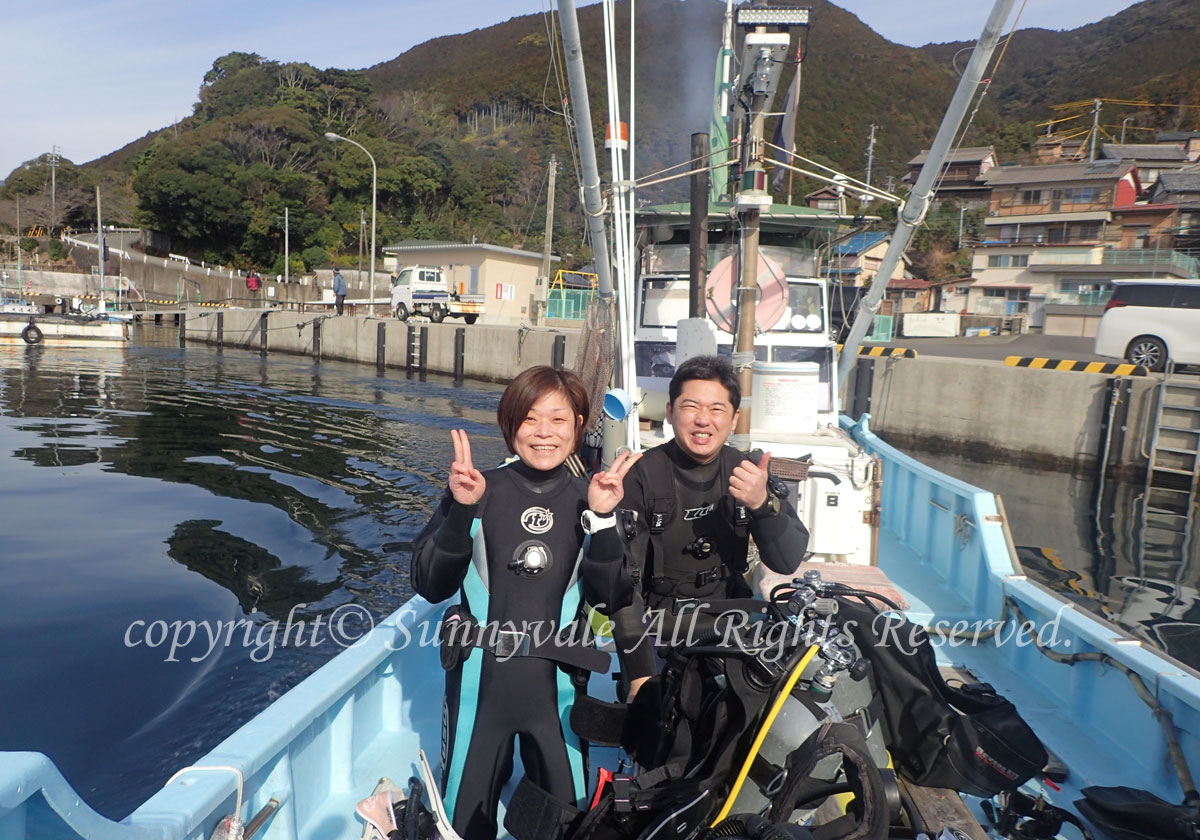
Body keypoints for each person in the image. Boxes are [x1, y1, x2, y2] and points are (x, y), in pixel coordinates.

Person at [411, 366, 641, 840]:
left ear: (579, 426)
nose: (543, 433)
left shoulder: (592, 497)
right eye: (530, 419)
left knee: (566, 824)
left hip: (555, 694)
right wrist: (460, 511)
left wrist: (602, 521)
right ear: (510, 424)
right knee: (462, 827)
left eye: (558, 420)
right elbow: (431, 584)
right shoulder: (477, 487)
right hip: (478, 687)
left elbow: (612, 595)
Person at [611, 354, 810, 699]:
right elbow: (621, 587)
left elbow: (787, 561)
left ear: (733, 419)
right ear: (670, 412)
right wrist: (639, 674)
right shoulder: (641, 477)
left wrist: (762, 505)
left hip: (731, 624)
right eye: (691, 406)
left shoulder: (749, 473)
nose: (703, 420)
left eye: (717, 410)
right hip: (659, 631)